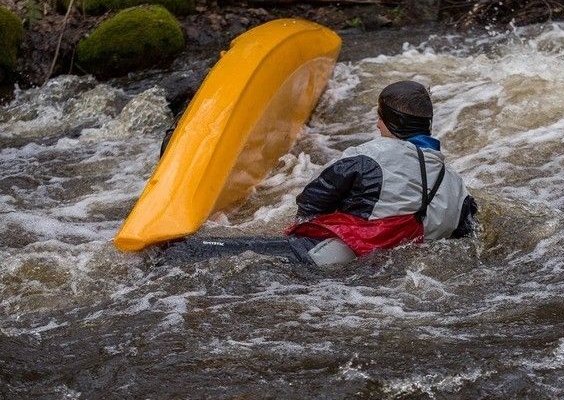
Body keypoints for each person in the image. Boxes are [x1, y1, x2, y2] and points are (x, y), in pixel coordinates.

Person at [163, 80, 477, 265]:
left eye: (379, 116)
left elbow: (311, 201)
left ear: (385, 121)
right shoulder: (455, 184)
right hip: (390, 267)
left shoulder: (369, 156)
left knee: (183, 253)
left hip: (327, 257)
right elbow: (465, 231)